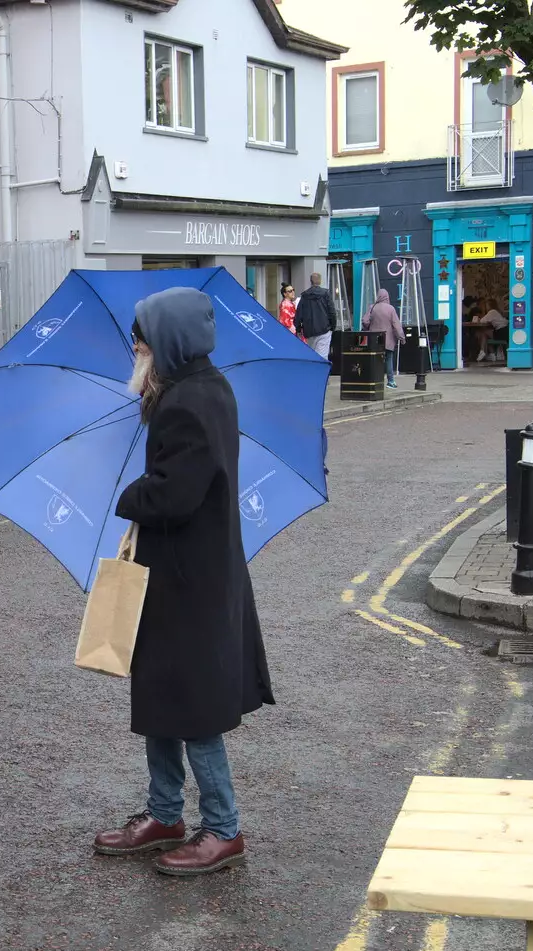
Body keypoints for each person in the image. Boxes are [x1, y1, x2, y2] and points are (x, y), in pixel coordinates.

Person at [93, 288, 275, 876]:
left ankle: (224, 828)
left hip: (188, 579)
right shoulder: (193, 390)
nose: (137, 346)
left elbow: (177, 492)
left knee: (193, 708)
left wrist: (128, 495)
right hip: (179, 574)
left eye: (143, 335)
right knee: (162, 696)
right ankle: (165, 812)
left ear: (168, 338)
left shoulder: (189, 401)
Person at [363, 288, 405, 389]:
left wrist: (367, 328)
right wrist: (401, 337)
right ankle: (390, 381)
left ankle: (375, 380)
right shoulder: (391, 309)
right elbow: (396, 325)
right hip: (388, 340)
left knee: (375, 359)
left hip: (374, 339)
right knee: (388, 359)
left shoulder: (372, 307)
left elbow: (365, 321)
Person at [294, 273, 338, 359]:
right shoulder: (325, 294)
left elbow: (299, 314)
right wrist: (333, 326)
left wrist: (299, 329)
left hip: (309, 331)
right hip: (324, 329)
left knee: (313, 355)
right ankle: (321, 371)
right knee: (323, 356)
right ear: (320, 281)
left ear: (310, 281)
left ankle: (313, 371)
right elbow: (332, 312)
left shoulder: (304, 296)